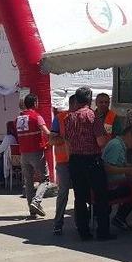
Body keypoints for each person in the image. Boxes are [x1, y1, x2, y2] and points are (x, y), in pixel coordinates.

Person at [65, 87, 115, 241]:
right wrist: (107, 137)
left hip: (75, 160)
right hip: (92, 160)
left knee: (80, 197)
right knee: (101, 196)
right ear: (90, 99)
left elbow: (67, 141)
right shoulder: (92, 116)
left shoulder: (69, 117)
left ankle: (83, 231)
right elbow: (100, 141)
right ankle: (103, 231)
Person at [16, 93, 52, 218]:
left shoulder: (18, 119)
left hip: (23, 153)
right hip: (36, 152)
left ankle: (32, 211)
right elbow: (46, 132)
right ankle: (36, 202)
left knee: (28, 182)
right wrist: (56, 137)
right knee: (45, 180)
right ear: (35, 103)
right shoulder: (36, 116)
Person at [49, 95, 76, 235]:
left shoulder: (83, 117)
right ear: (73, 104)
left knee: (81, 192)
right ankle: (58, 223)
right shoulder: (59, 118)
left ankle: (81, 222)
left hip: (79, 160)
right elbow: (52, 140)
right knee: (63, 191)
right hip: (63, 161)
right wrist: (65, 139)